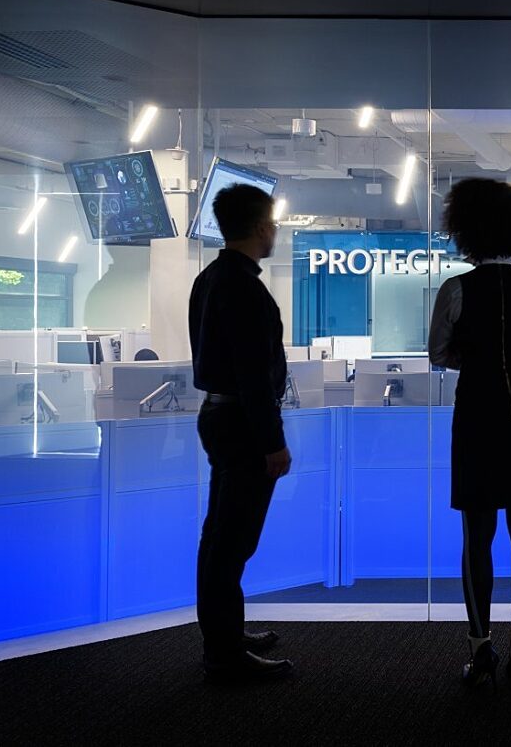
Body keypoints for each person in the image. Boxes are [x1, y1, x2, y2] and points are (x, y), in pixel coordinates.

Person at [428, 178, 511, 688]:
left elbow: (439, 355)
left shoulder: (455, 288)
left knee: (476, 534)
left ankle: (480, 645)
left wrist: (472, 357)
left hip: (477, 408)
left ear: (468, 231)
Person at [189, 183, 293, 683]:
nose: (275, 230)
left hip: (221, 417)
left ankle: (225, 636)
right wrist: (273, 442)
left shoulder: (211, 278)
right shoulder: (243, 287)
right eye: (272, 222)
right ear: (259, 227)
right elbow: (253, 374)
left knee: (220, 537)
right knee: (231, 543)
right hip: (243, 425)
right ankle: (224, 655)